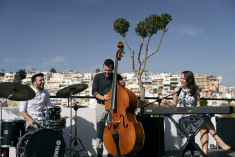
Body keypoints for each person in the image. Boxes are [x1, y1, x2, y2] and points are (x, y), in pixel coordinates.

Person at [161, 71, 230, 156]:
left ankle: (204, 153)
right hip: (184, 120)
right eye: (181, 78)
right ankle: (217, 139)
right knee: (204, 120)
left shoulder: (195, 89)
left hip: (195, 116)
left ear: (189, 80)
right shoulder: (177, 90)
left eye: (183, 78)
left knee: (203, 127)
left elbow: (198, 105)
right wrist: (165, 102)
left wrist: (194, 113)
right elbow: (174, 105)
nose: (181, 80)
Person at [92, 59, 125, 157]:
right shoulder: (98, 77)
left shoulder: (117, 76)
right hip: (101, 105)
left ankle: (112, 152)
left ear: (113, 69)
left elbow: (121, 91)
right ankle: (99, 153)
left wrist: (123, 85)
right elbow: (94, 92)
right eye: (105, 70)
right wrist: (103, 97)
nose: (107, 72)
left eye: (109, 70)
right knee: (100, 131)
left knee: (113, 131)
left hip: (114, 107)